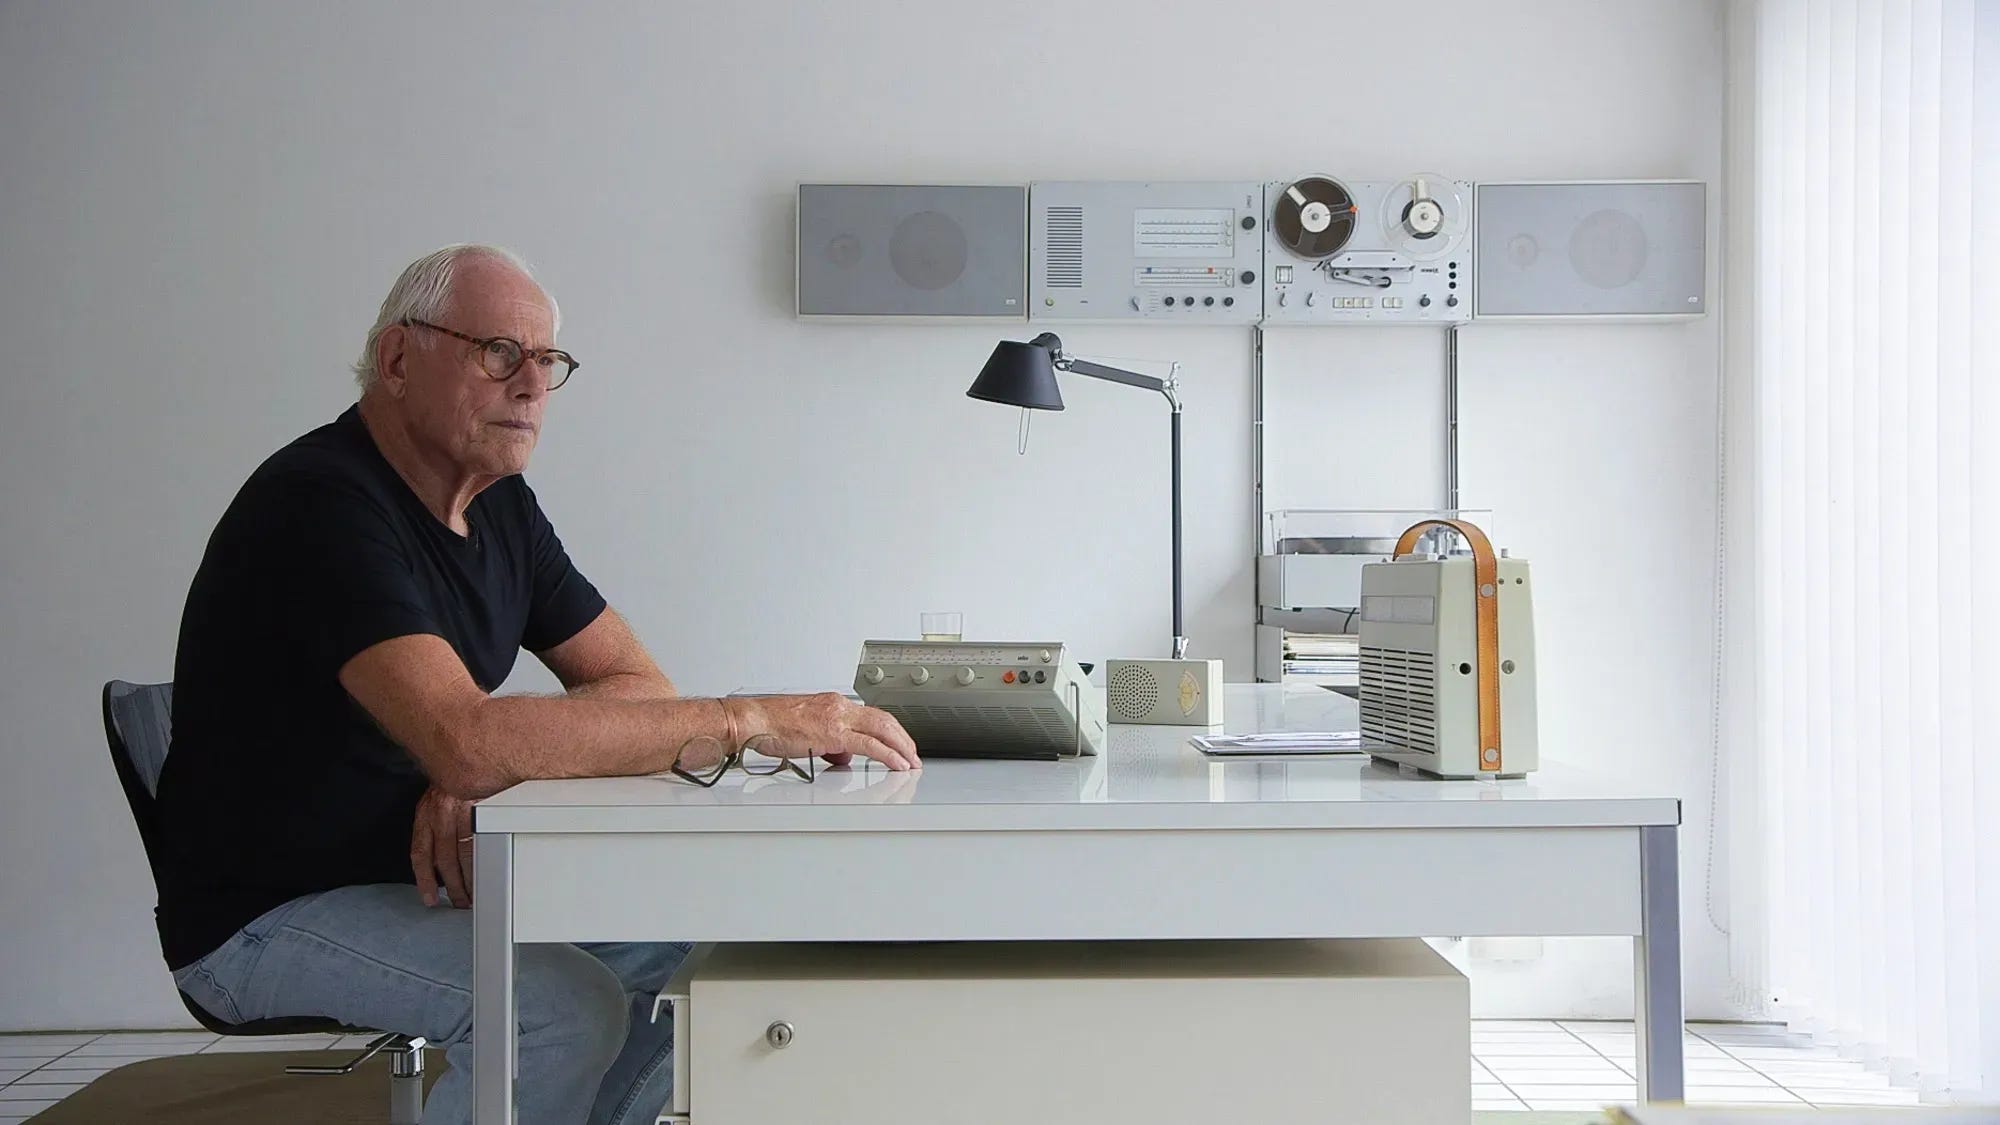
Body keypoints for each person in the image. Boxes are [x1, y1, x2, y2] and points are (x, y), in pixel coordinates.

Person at [153, 244, 920, 1124]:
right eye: (498, 352)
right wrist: (745, 718)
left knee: (694, 961)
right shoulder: (321, 503)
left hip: (416, 876)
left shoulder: (499, 502)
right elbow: (467, 738)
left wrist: (486, 762)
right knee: (560, 1009)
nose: (530, 385)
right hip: (264, 911)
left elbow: (634, 682)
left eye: (547, 360)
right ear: (398, 359)